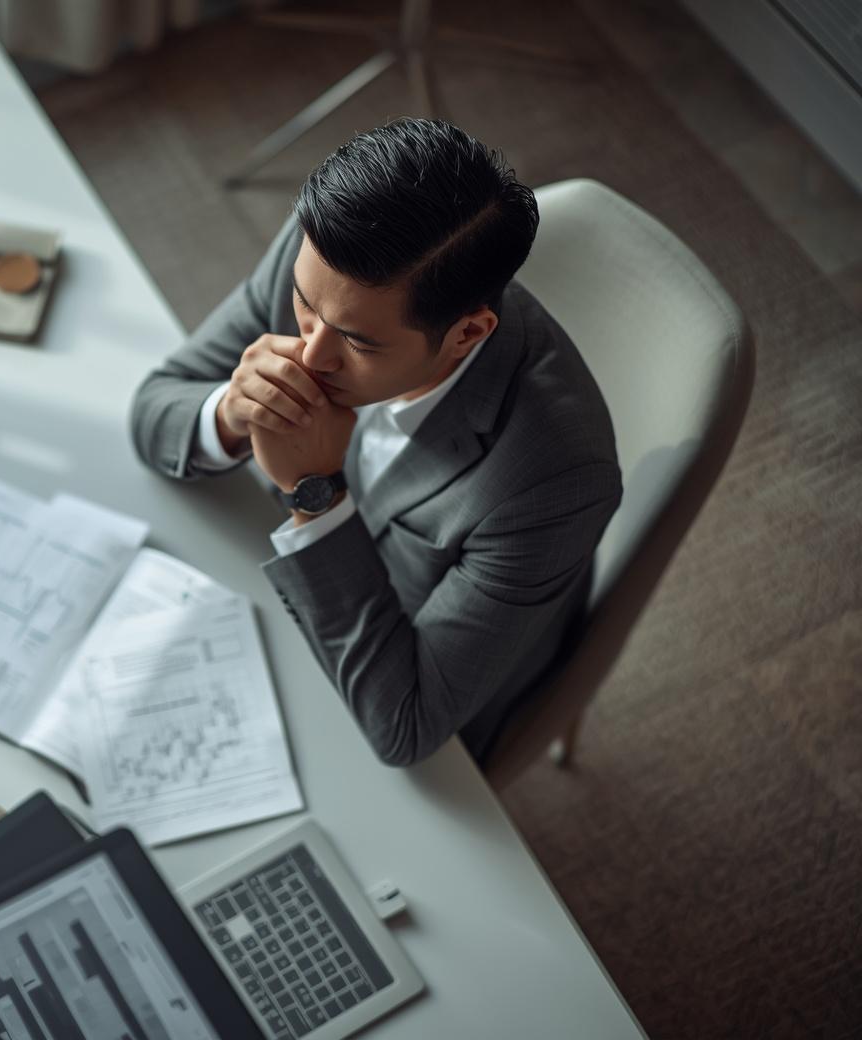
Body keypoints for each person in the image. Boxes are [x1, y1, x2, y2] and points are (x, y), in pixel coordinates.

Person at [129, 118, 622, 766]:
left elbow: (405, 726)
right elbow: (153, 409)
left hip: (392, 673)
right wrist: (232, 411)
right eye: (305, 307)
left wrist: (316, 496)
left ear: (468, 334)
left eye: (359, 343)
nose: (310, 352)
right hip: (280, 594)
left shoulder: (555, 483)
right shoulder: (329, 261)